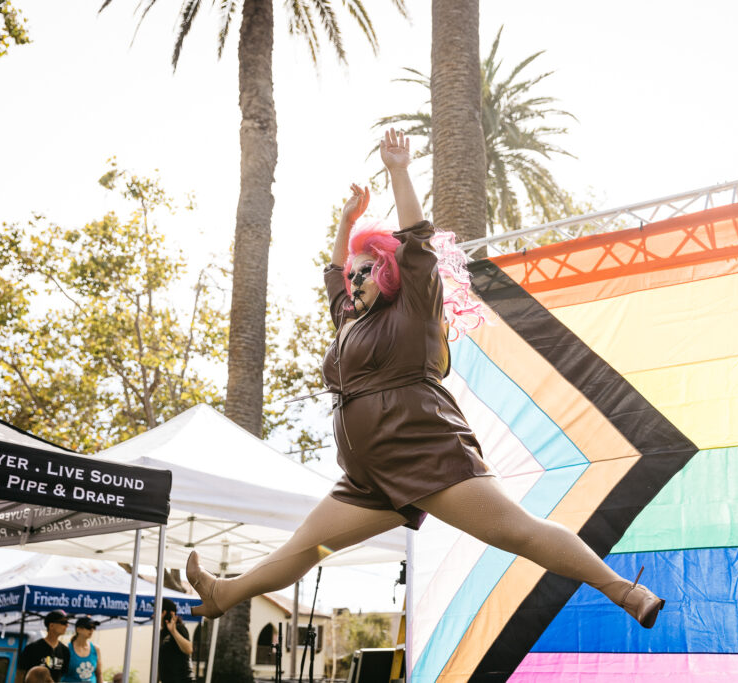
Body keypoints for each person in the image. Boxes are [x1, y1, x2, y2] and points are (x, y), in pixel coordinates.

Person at [186, 129, 665, 629]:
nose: (355, 280)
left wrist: (398, 171)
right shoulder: (351, 320)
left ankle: (626, 591)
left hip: (424, 455)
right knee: (308, 547)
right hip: (369, 481)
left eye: (366, 271)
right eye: (354, 275)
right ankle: (225, 593)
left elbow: (417, 243)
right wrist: (346, 224)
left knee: (519, 532)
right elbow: (333, 275)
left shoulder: (413, 308)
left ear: (390, 272)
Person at [17, 610, 71, 682]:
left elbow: (62, 675)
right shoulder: (32, 648)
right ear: (51, 625)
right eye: (63, 623)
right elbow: (20, 673)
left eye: (67, 623)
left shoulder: (65, 651)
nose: (67, 625)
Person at [157, 598, 193, 683]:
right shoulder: (163, 632)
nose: (153, 615)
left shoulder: (179, 628)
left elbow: (189, 649)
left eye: (156, 611)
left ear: (164, 613)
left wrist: (173, 632)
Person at [62, 617, 102, 683]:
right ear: (78, 629)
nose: (92, 630)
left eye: (94, 627)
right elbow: (59, 674)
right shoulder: (67, 649)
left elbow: (99, 674)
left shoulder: (96, 649)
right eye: (88, 627)